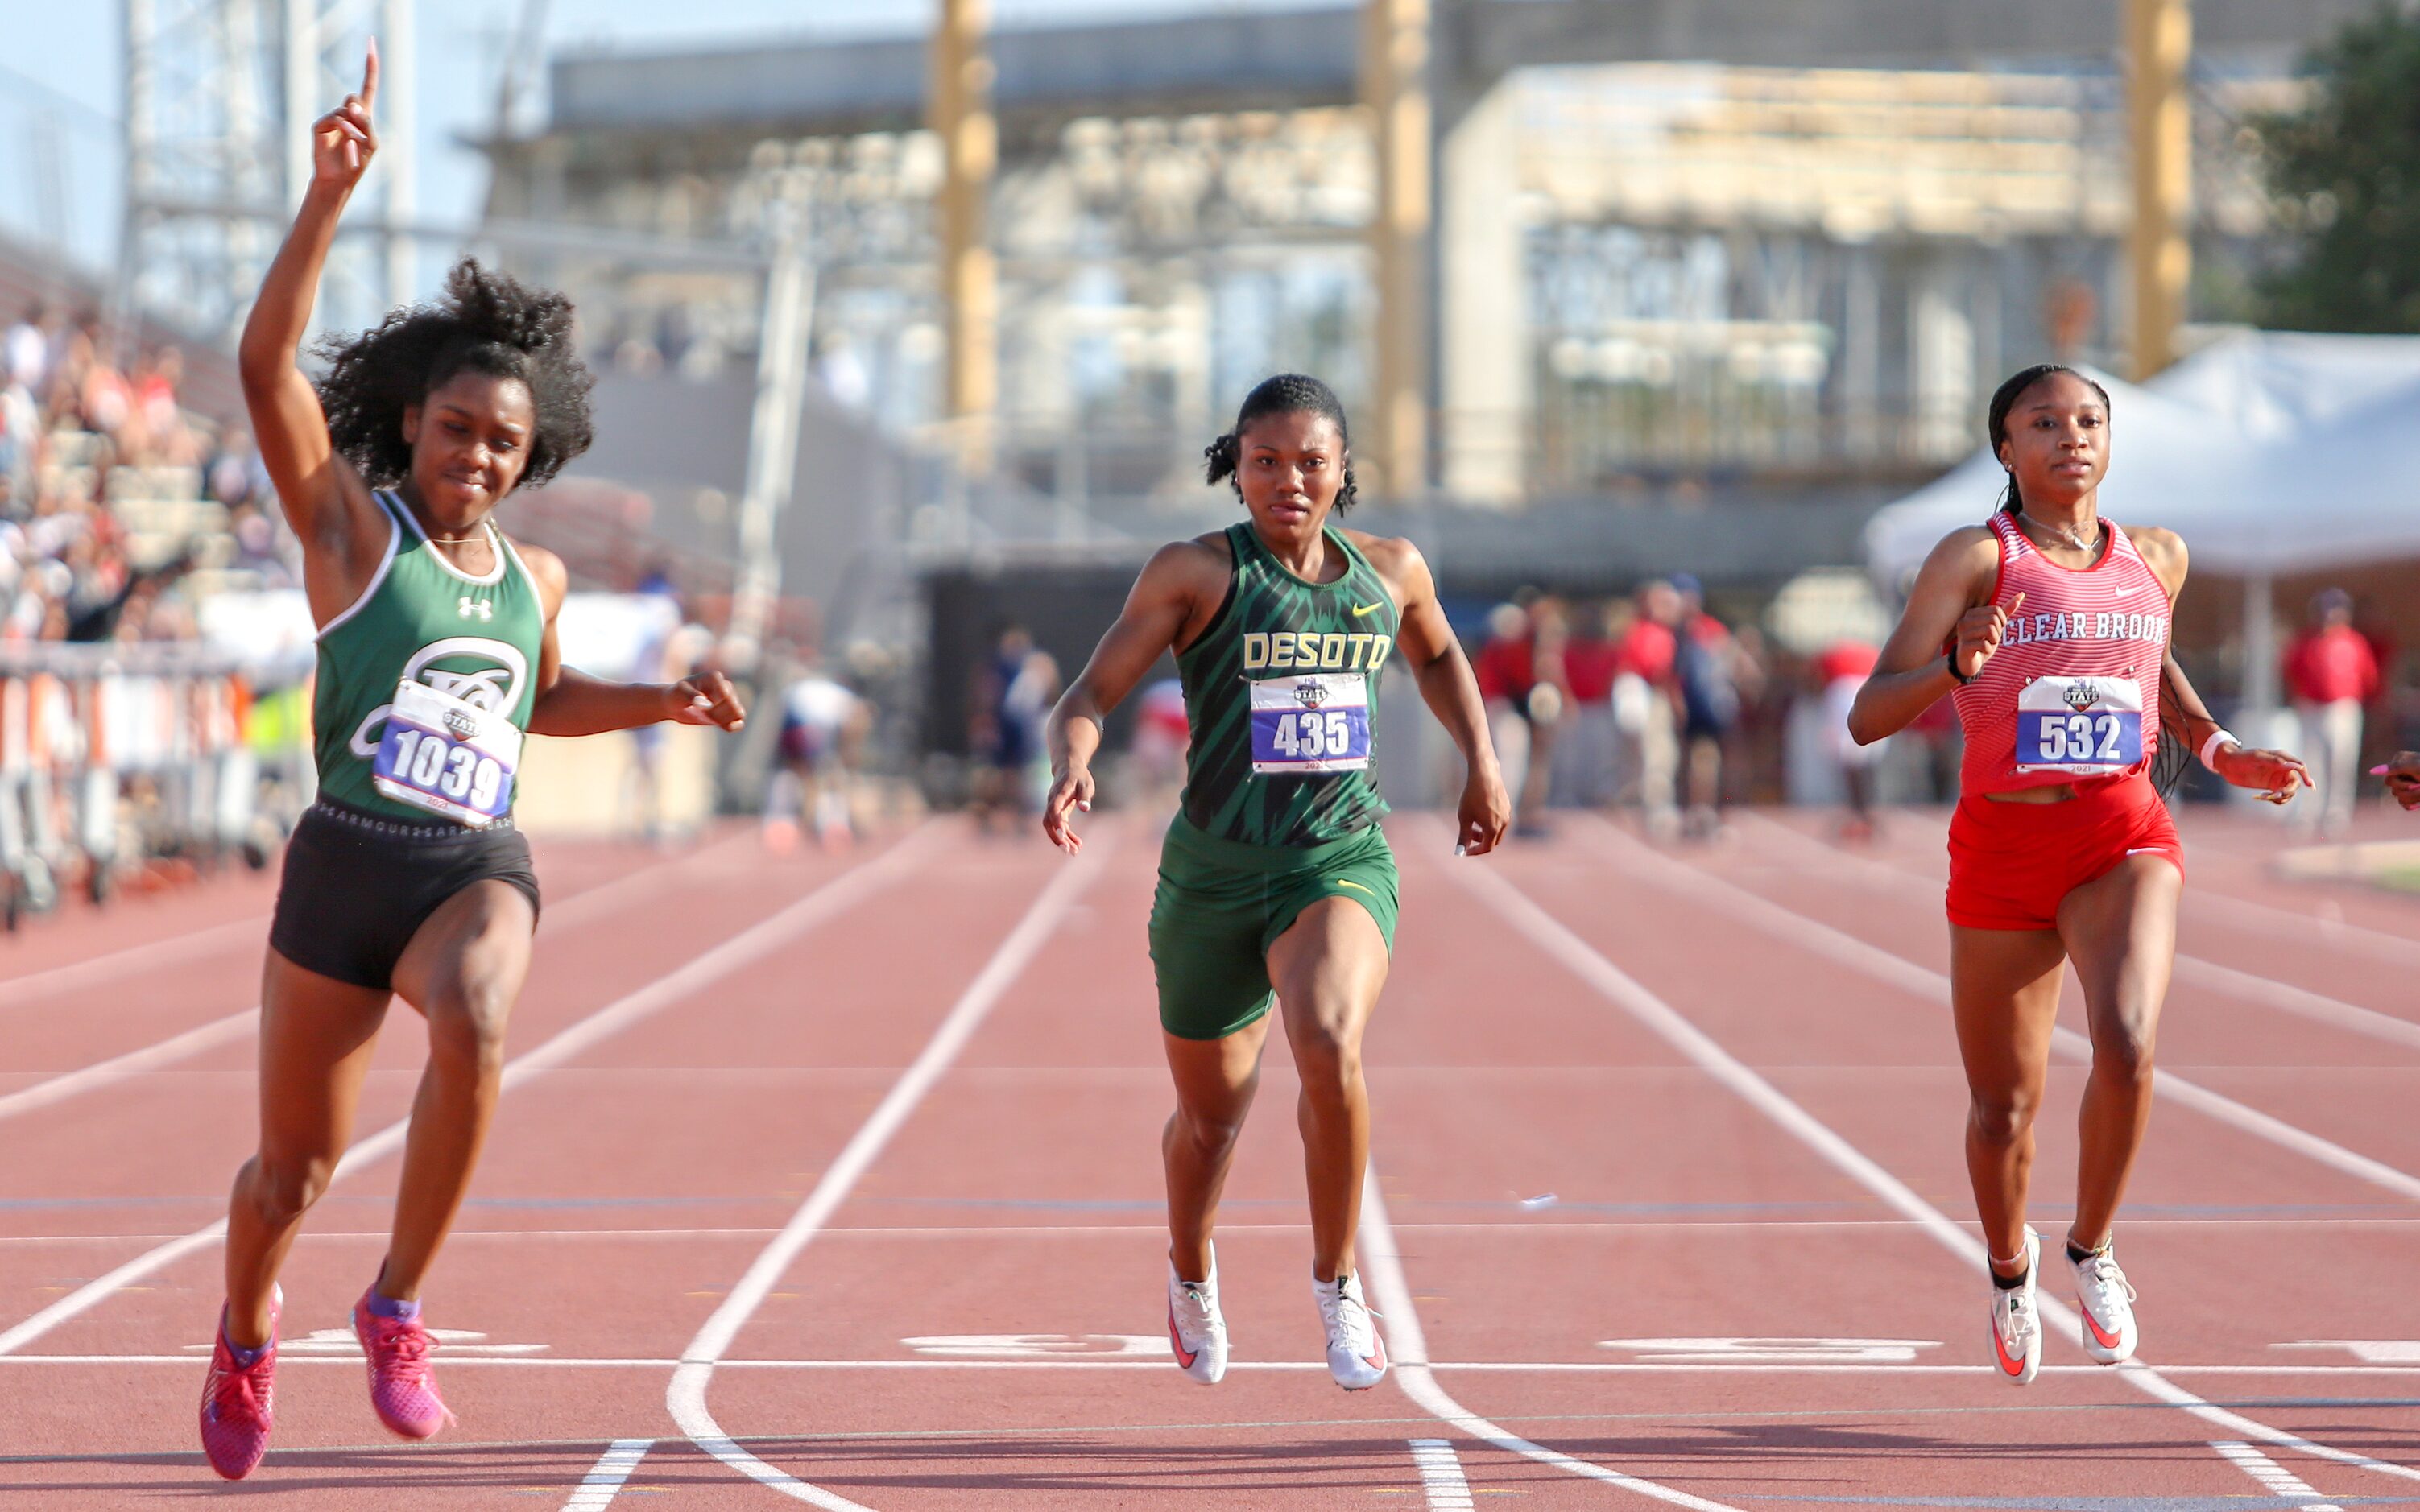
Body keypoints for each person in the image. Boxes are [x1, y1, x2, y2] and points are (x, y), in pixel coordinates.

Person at [198, 48, 747, 1481]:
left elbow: (539, 702)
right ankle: (248, 1323)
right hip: (344, 862)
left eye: (505, 442)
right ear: (417, 424)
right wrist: (326, 201)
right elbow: (264, 369)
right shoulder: (350, 536)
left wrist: (665, 705)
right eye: (457, 431)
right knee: (287, 1173)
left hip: (466, 863)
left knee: (485, 1012)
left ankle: (395, 1303)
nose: (478, 458)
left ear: (532, 451)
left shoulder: (539, 579)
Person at [1040, 374, 1508, 1393]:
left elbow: (1436, 657)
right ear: (1235, 467)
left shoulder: (1389, 571)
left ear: (1343, 470)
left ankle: (1338, 1283)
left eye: (1309, 461)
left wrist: (1480, 759)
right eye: (1264, 461)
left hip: (1334, 859)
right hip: (1211, 876)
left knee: (1330, 1039)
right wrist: (1074, 757)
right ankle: (1188, 1271)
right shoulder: (1195, 574)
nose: (1287, 479)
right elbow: (1091, 690)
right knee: (1210, 1121)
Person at [1849, 364, 2309, 1386]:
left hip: (2119, 836)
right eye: (2042, 422)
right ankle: (2010, 1271)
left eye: (2088, 420)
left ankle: (2091, 1251)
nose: (2070, 436)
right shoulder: (1975, 557)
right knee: (2000, 1110)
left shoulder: (2155, 556)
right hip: (2003, 852)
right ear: (2003, 450)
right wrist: (1954, 669)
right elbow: (1867, 713)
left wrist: (2216, 744)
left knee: (2129, 1041)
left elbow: (2147, 661)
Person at [2282, 588, 2377, 837]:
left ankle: (2337, 813)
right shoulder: (2307, 641)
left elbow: (2369, 679)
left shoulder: (2355, 642)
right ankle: (2307, 813)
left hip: (2342, 707)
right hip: (2311, 708)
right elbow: (2291, 672)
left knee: (2341, 762)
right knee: (2309, 764)